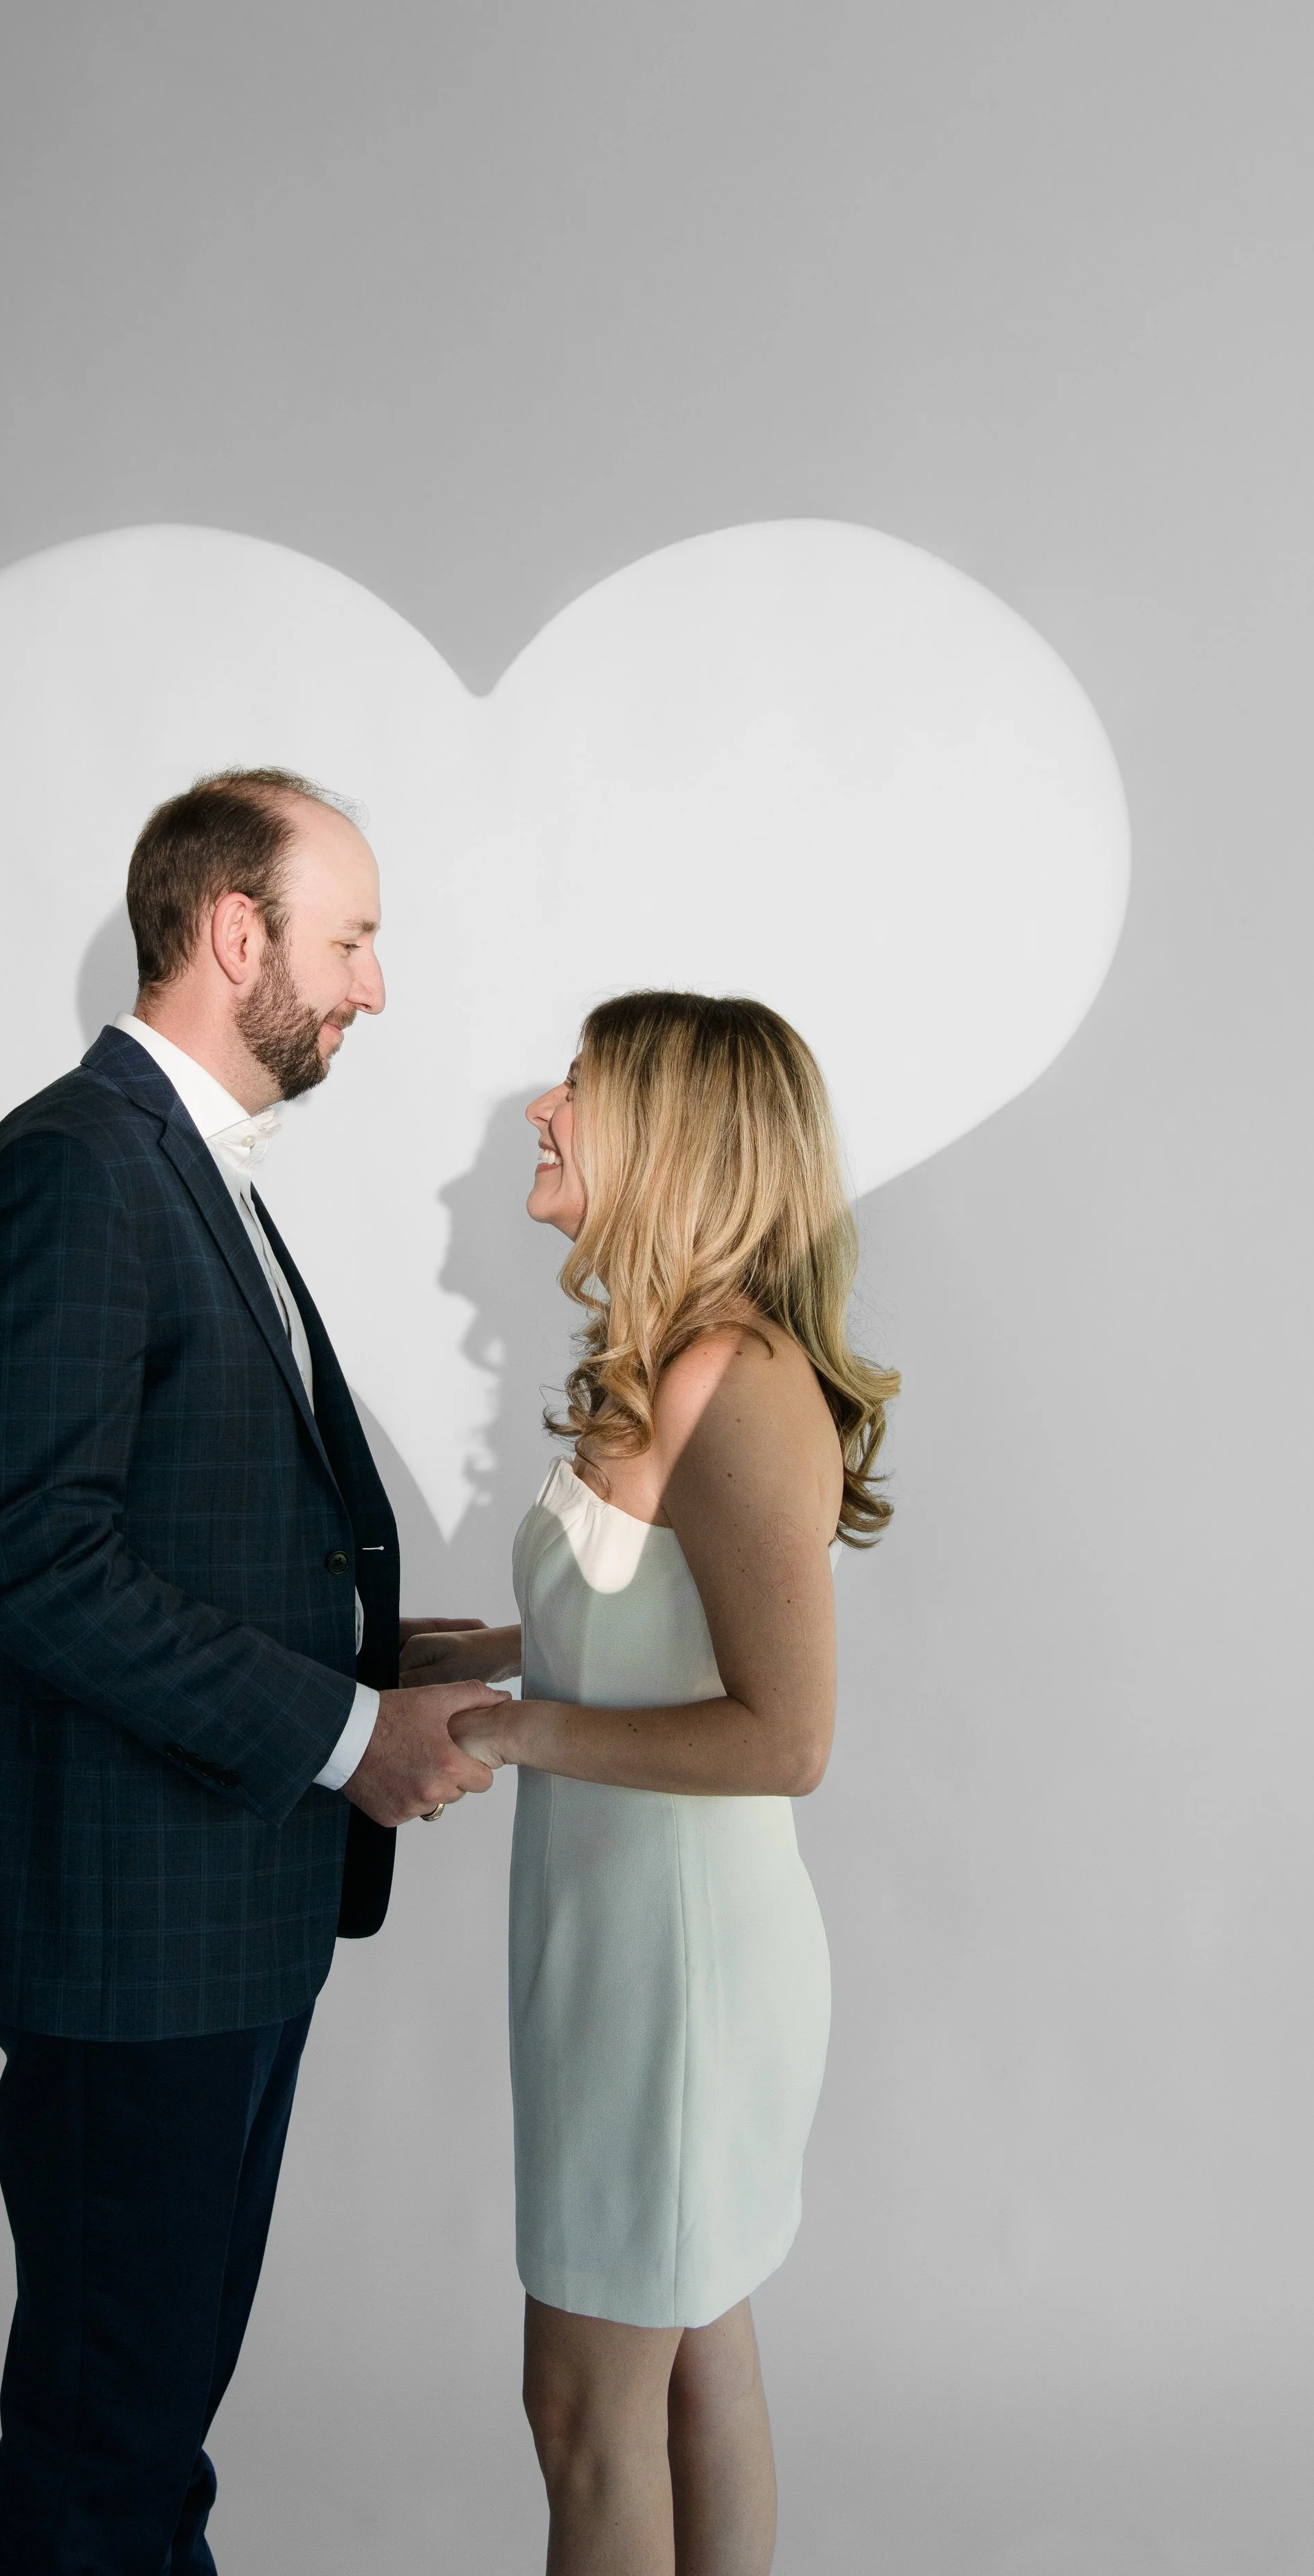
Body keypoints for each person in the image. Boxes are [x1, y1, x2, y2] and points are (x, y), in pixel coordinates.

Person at [0, 768, 503, 2576]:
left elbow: (191, 1523)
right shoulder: (77, 1172)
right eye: (351, 939)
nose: (375, 986)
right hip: (133, 1933)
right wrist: (341, 1731)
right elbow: (27, 1554)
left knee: (150, 2426)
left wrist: (399, 1656)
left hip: (220, 1914)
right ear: (234, 936)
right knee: (111, 2434)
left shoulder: (180, 1167)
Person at [403, 990, 899, 2576]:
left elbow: (783, 1736)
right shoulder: (665, 1362)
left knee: (580, 2407)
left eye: (573, 1089)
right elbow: (633, 1630)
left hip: (676, 1969)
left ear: (675, 1137)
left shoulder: (736, 1380)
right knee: (688, 2351)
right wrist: (461, 1649)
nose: (540, 1112)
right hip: (609, 1949)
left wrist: (505, 1730)